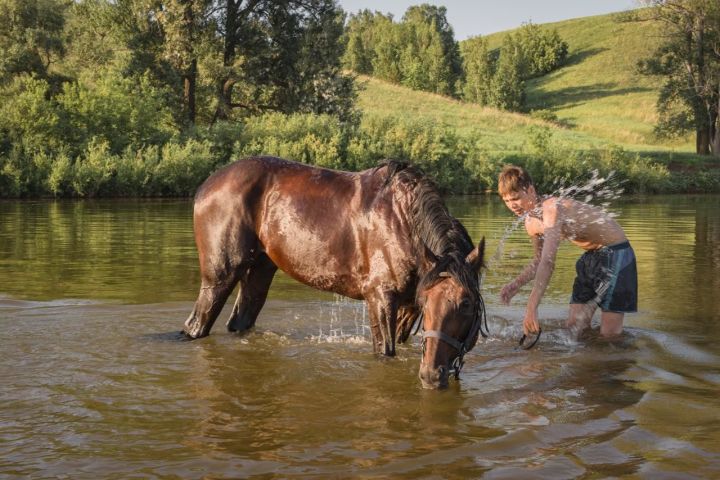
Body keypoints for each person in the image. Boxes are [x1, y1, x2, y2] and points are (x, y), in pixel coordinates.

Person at [497, 165, 637, 339]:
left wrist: (531, 307)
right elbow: (538, 261)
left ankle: (616, 360)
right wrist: (515, 285)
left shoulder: (552, 209)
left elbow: (548, 262)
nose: (512, 205)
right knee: (574, 327)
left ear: (530, 190)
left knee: (609, 335)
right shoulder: (531, 223)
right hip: (590, 257)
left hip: (617, 254)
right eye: (507, 201)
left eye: (516, 198)